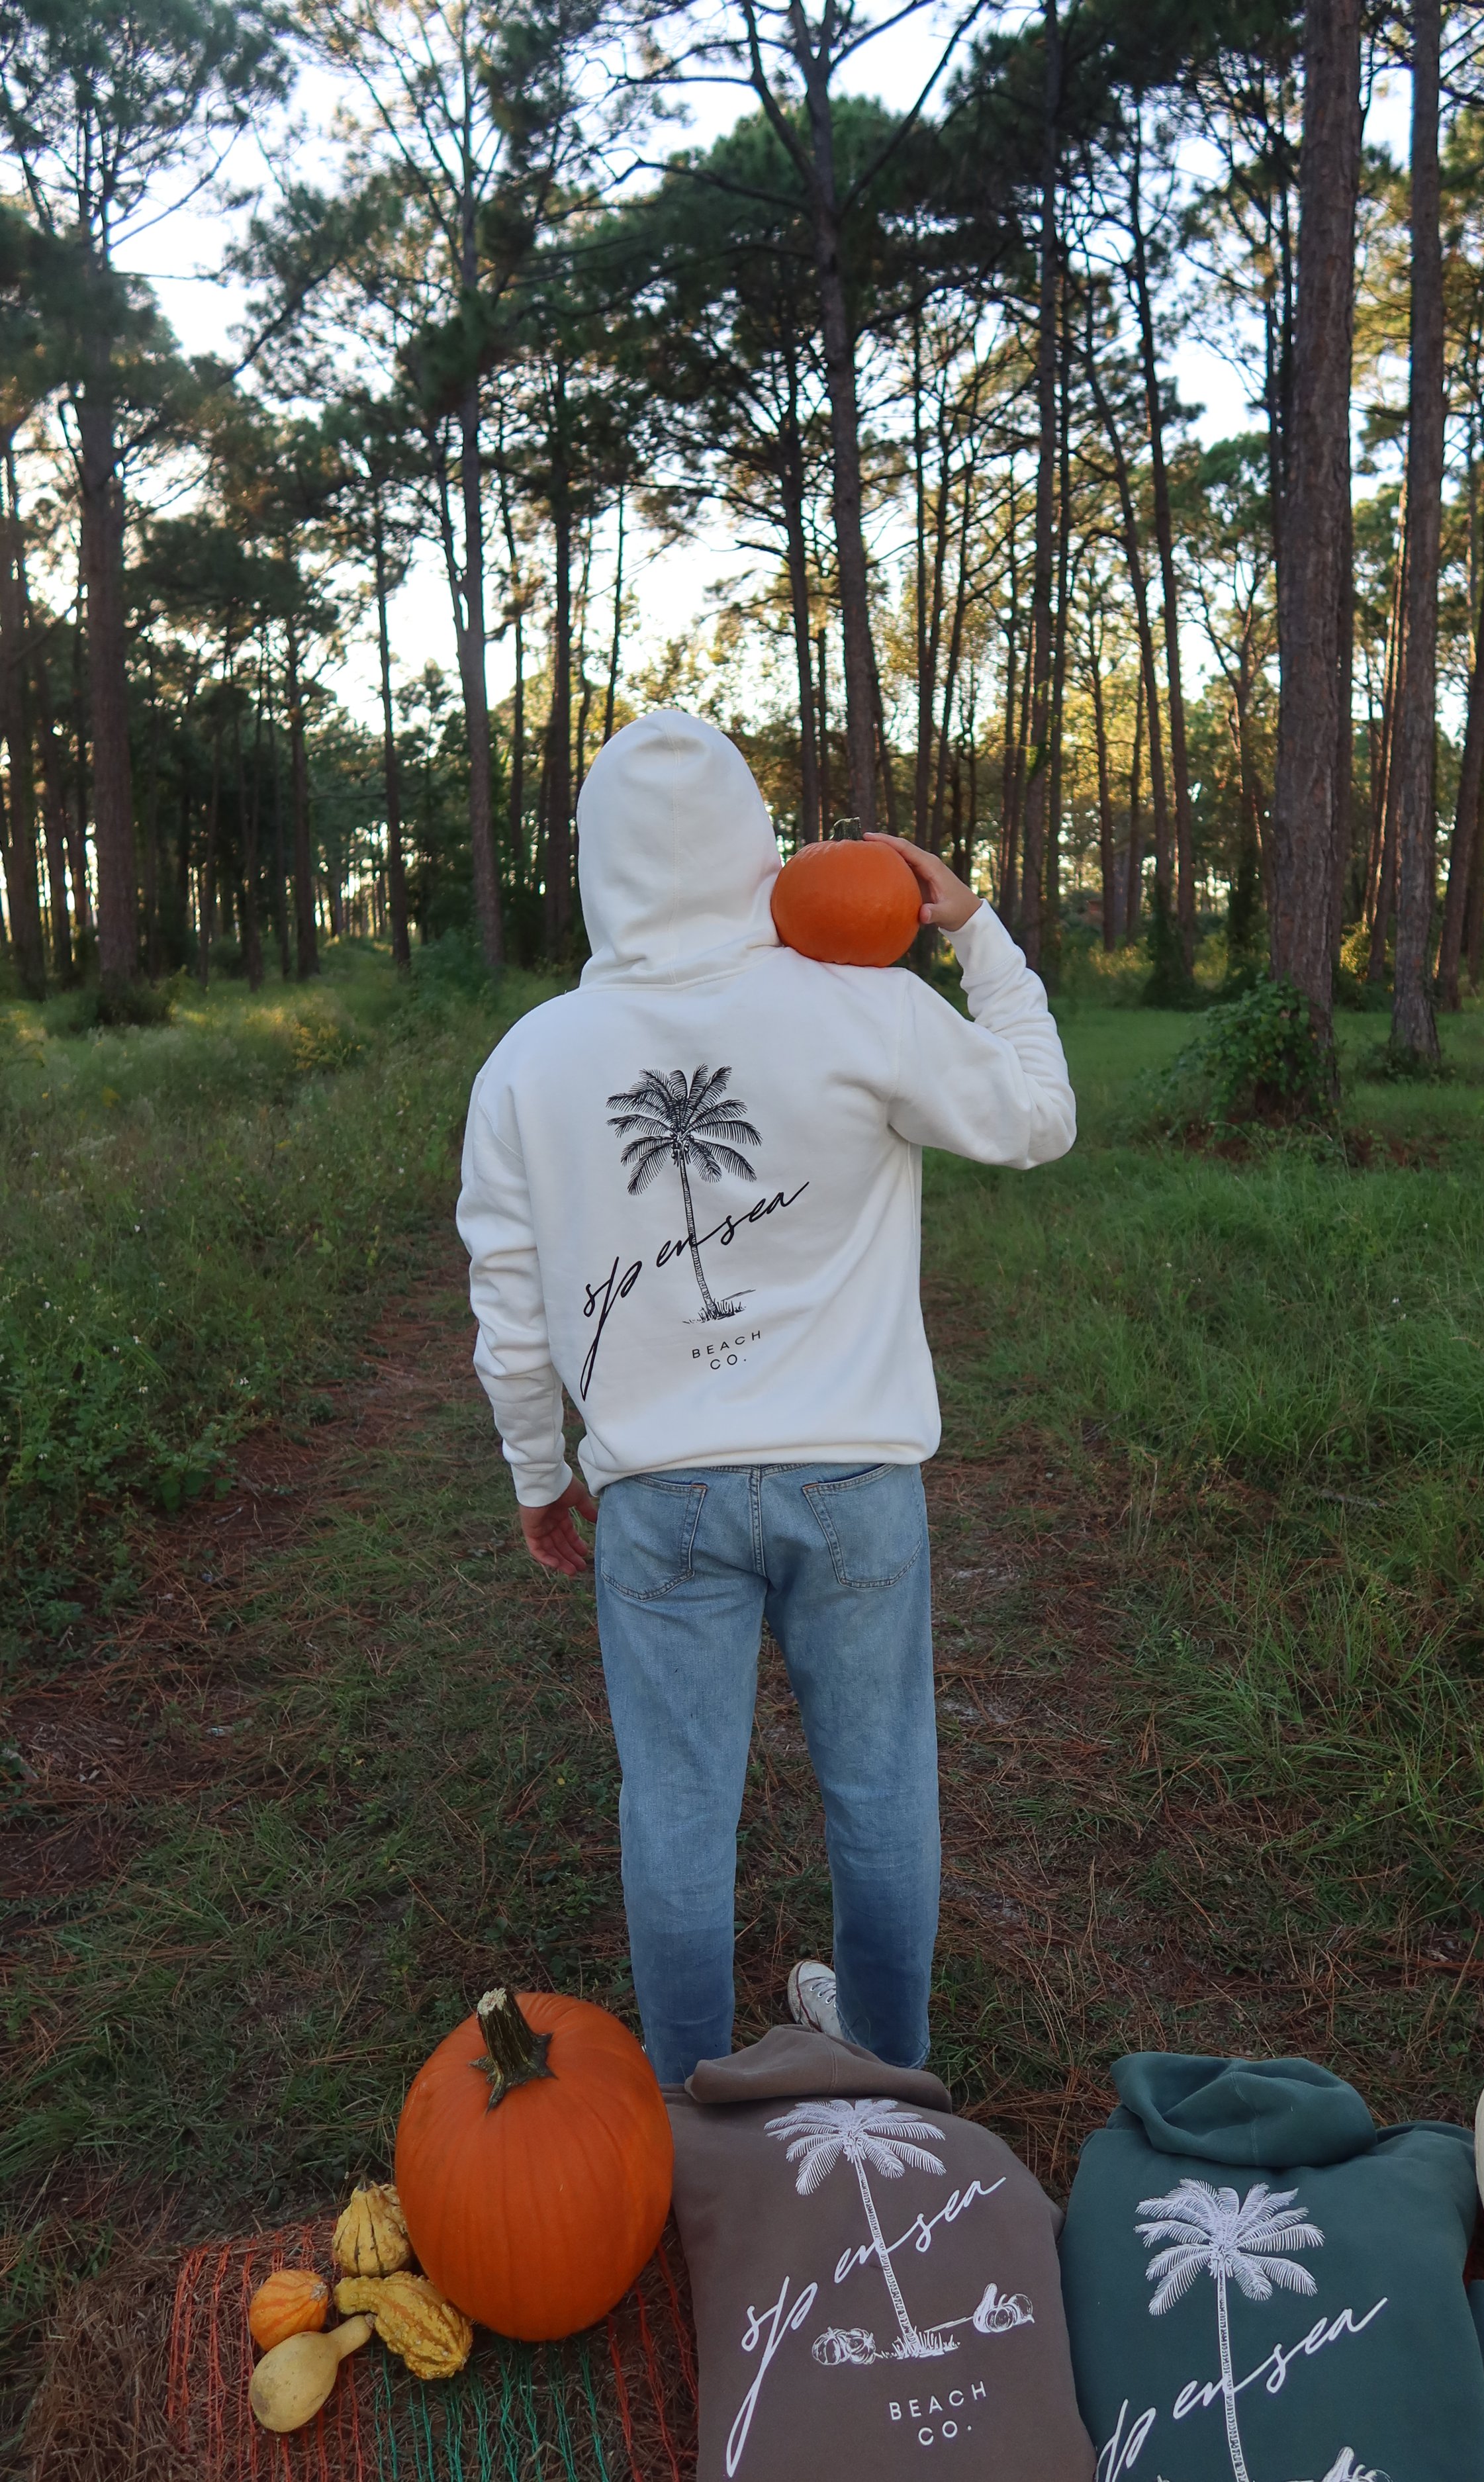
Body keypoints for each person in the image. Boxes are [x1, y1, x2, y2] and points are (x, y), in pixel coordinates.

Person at [457, 710, 1074, 2089]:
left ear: (594, 862)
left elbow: (507, 1306)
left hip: (658, 1498)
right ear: (755, 845)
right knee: (880, 1786)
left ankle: (690, 2102)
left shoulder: (532, 1059)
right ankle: (892, 2072)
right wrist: (973, 929)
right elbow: (1039, 1117)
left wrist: (537, 1472)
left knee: (676, 1808)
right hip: (856, 1484)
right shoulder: (862, 1004)